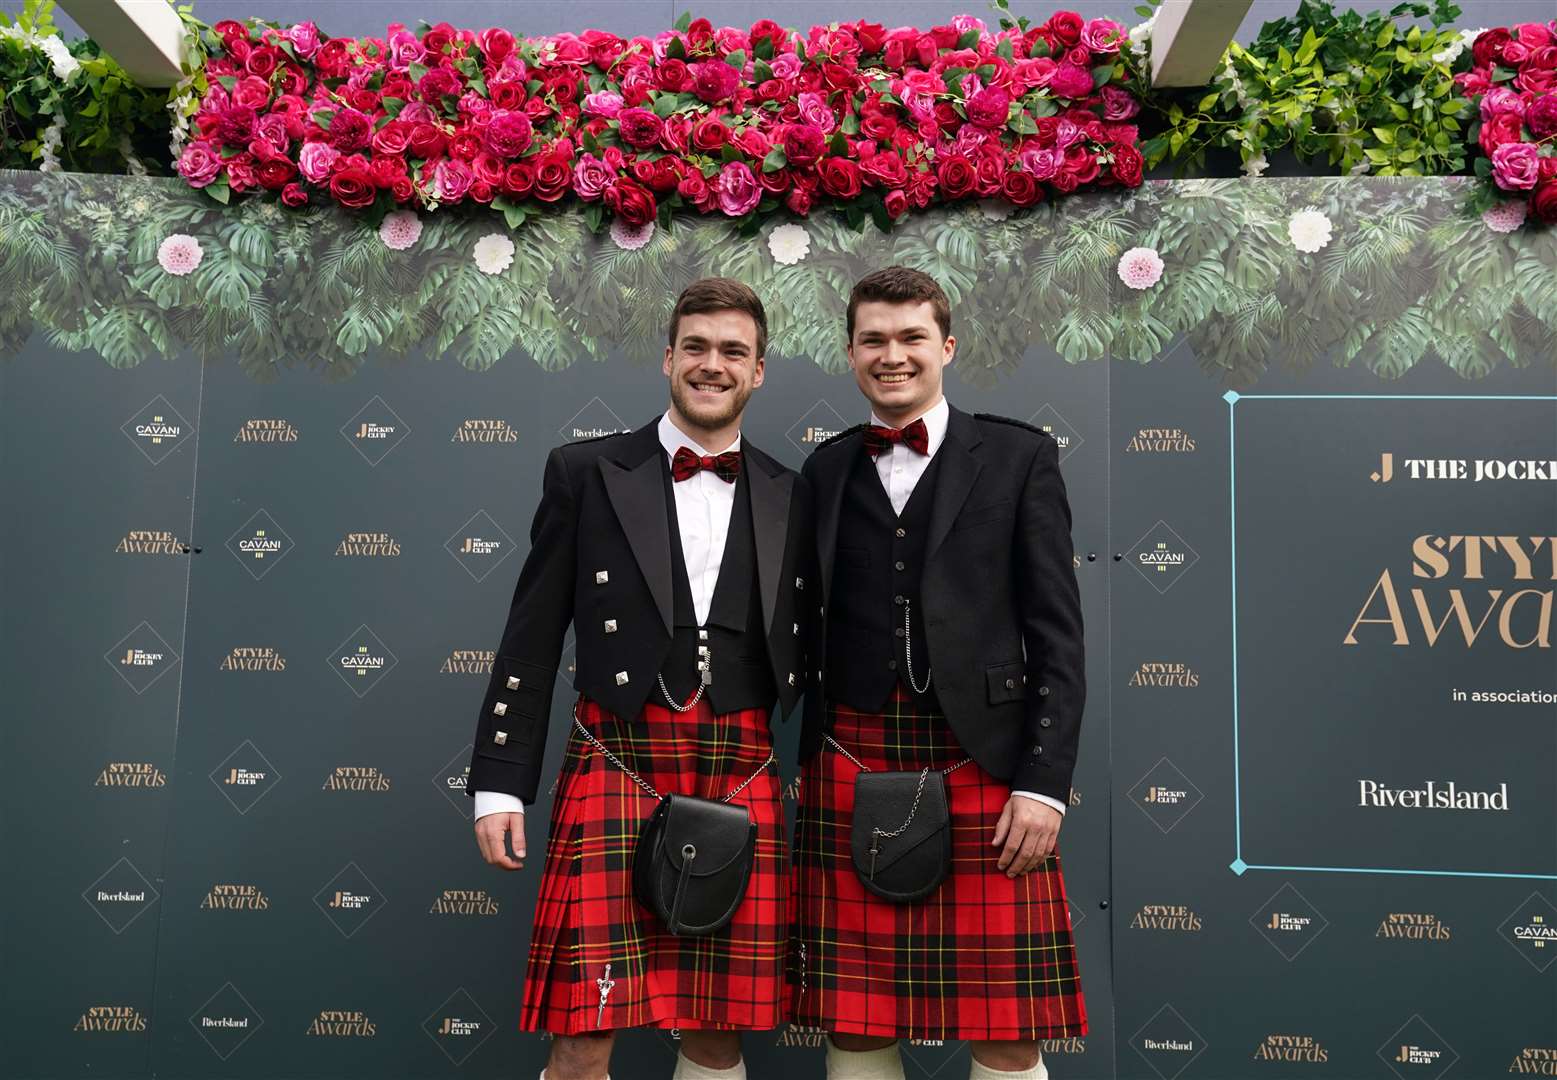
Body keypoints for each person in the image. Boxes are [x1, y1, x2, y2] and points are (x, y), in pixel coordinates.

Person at [467, 278, 813, 1080]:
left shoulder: (791, 492)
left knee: (718, 1024)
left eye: (733, 351)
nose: (711, 365)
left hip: (741, 764)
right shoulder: (585, 471)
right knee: (585, 1030)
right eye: (695, 347)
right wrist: (497, 782)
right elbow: (530, 636)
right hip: (616, 754)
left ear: (758, 371)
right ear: (667, 358)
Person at [788, 267, 1087, 1080]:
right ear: (850, 353)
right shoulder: (823, 472)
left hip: (984, 763)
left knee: (1006, 1029)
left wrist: (1044, 782)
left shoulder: (1020, 457)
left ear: (946, 346)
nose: (893, 355)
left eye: (911, 337)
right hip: (847, 757)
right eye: (873, 339)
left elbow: (1057, 633)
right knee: (854, 1022)